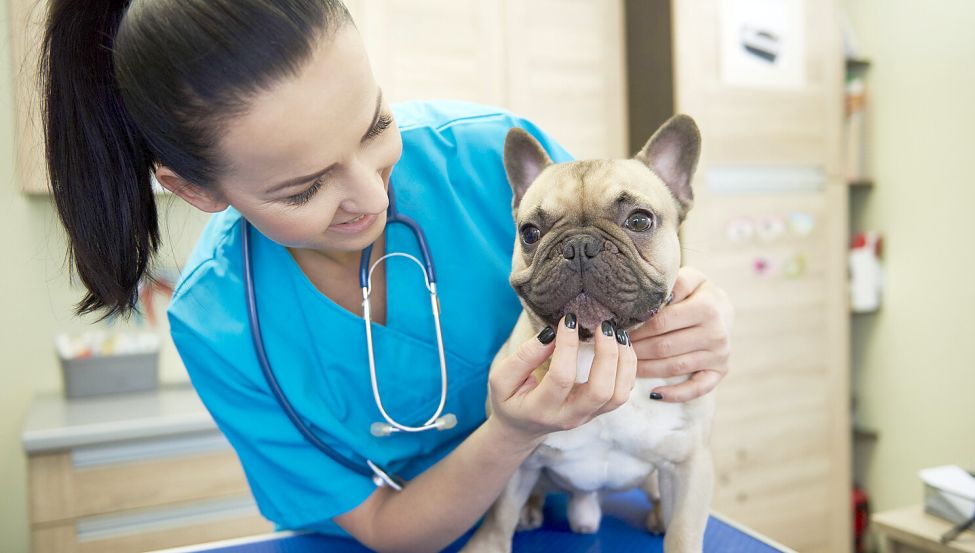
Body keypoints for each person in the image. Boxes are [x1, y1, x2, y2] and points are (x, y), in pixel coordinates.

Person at [39, 2, 733, 552]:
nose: (371, 197)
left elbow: (626, 247)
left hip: (557, 524)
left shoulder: (485, 149)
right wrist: (507, 433)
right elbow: (381, 527)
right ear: (195, 190)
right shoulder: (219, 324)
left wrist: (698, 314)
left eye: (375, 124)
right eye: (303, 186)